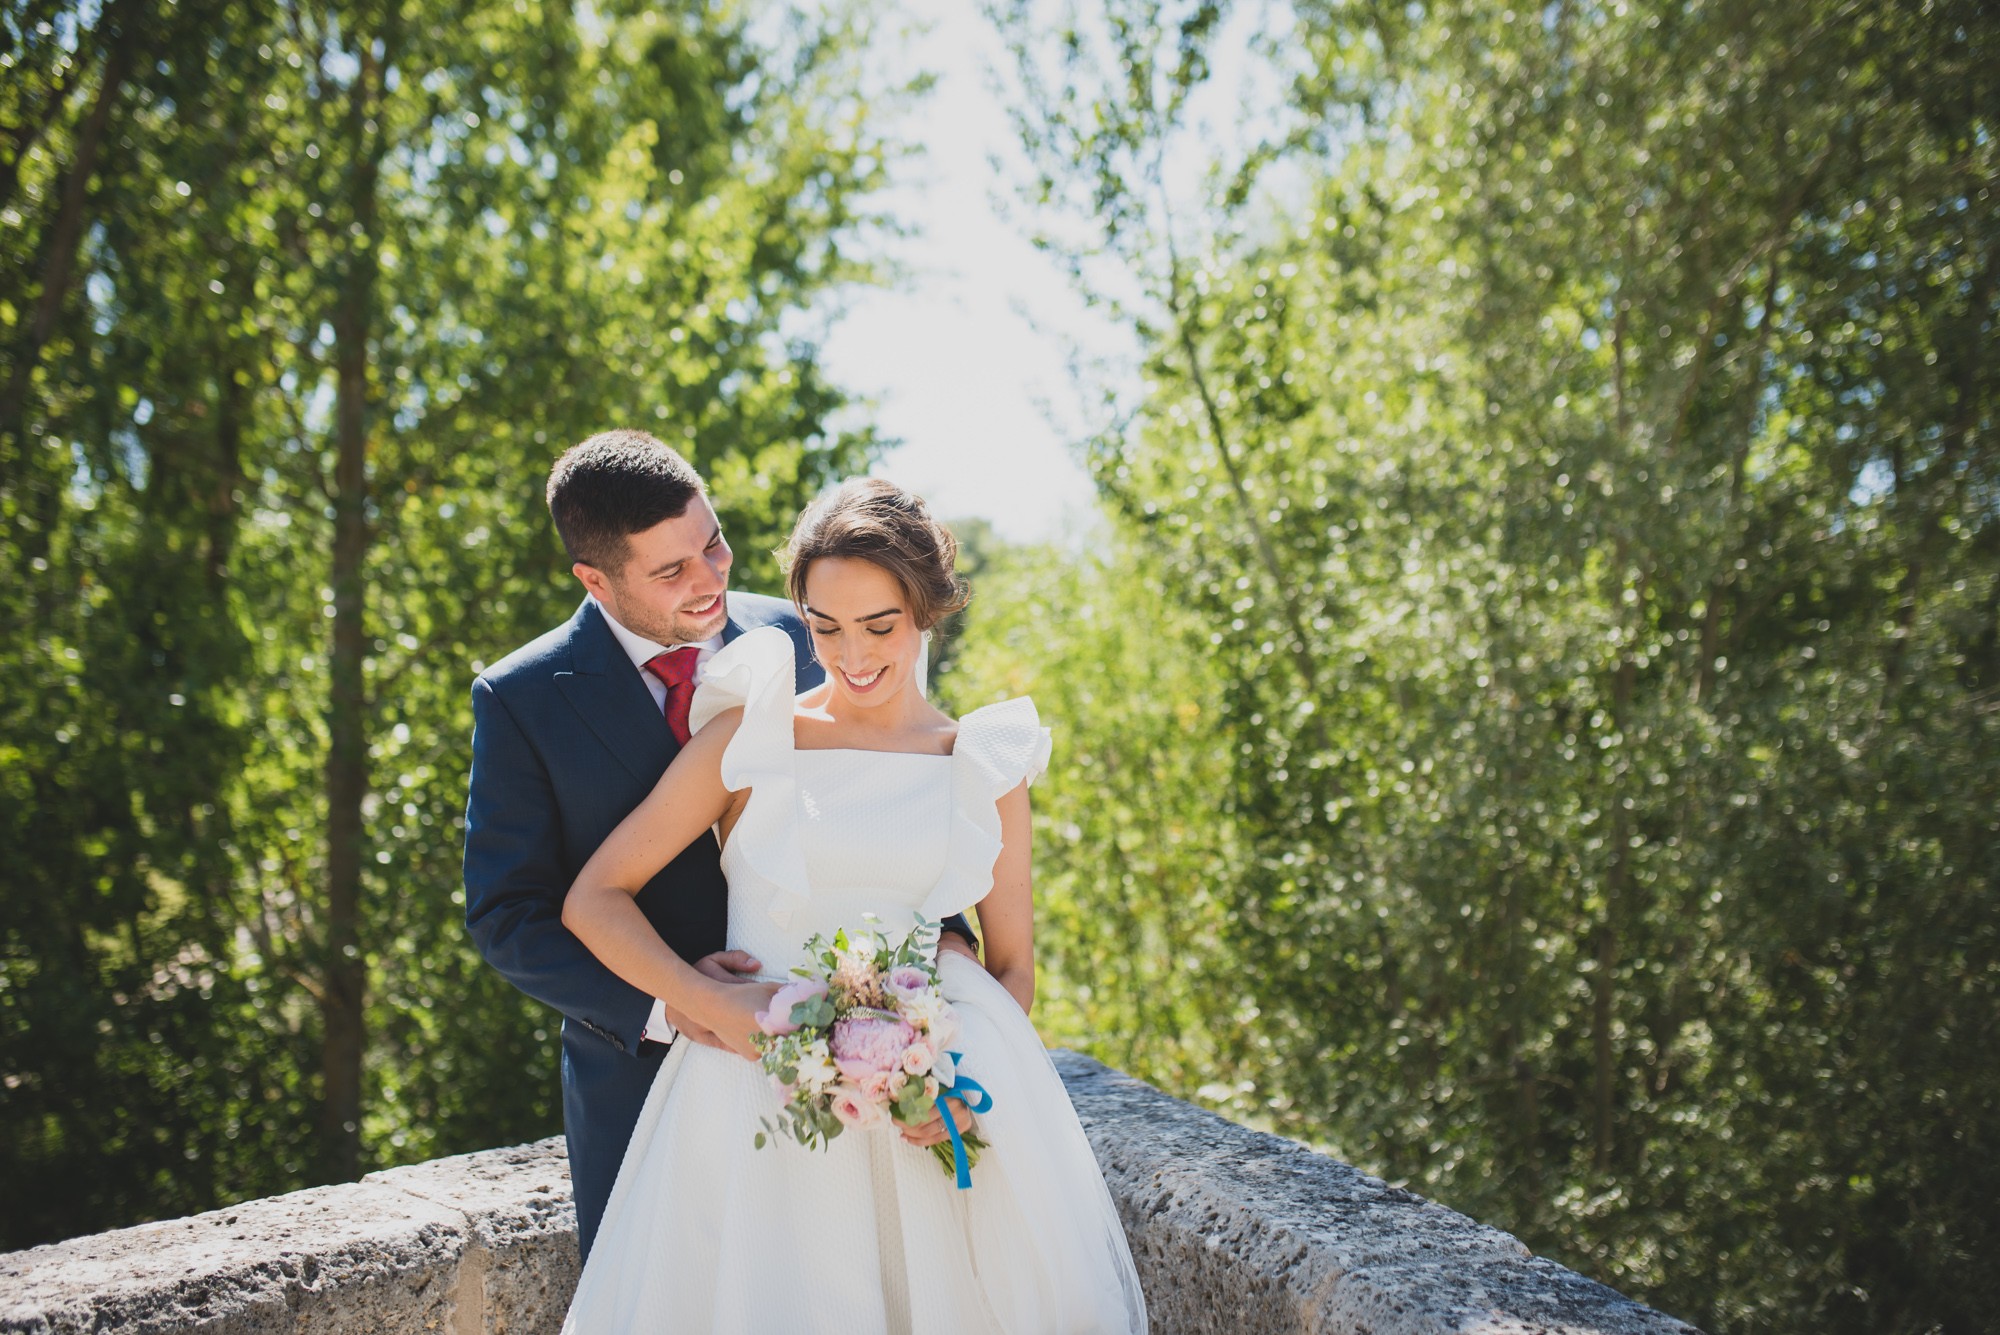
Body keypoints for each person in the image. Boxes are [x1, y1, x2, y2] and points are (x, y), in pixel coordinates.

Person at [558, 478, 1148, 1333]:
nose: (853, 654)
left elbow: (1010, 972)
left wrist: (948, 1089)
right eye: (824, 626)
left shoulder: (980, 761)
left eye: (881, 625)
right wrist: (702, 997)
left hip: (920, 1124)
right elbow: (594, 898)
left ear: (927, 613)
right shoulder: (751, 736)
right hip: (748, 1106)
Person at [462, 432, 977, 1260]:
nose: (710, 580)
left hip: (859, 1075)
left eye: (713, 542)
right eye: (671, 571)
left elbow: (902, 794)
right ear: (596, 579)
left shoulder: (810, 630)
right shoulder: (522, 698)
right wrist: (679, 1005)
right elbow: (506, 914)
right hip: (639, 1077)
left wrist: (941, 953)